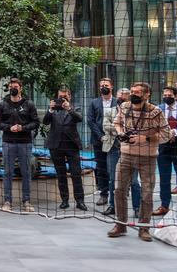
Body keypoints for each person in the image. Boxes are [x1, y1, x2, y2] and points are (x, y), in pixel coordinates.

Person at [108, 82, 177, 241]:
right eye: (132, 91)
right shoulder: (124, 106)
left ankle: (144, 228)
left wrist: (145, 138)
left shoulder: (155, 111)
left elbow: (166, 135)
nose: (134, 94)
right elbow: (117, 123)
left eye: (138, 92)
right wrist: (121, 133)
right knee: (119, 189)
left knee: (147, 193)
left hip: (148, 157)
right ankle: (120, 224)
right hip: (125, 154)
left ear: (147, 95)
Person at [0, 78, 40, 213]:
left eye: (15, 86)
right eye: (11, 87)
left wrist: (23, 128)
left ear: (20, 88)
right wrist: (9, 128)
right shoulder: (3, 104)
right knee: (7, 172)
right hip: (8, 142)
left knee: (26, 172)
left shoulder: (29, 104)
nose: (13, 88)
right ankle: (7, 201)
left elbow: (36, 122)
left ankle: (26, 201)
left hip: (25, 142)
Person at [43, 87, 86, 211]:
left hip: (72, 146)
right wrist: (50, 109)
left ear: (69, 96)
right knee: (61, 175)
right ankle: (64, 200)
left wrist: (68, 108)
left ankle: (80, 201)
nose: (62, 98)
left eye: (64, 96)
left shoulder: (75, 107)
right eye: (60, 96)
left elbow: (79, 118)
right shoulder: (53, 109)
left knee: (76, 174)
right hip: (56, 146)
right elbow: (45, 122)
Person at [102, 88, 142, 218]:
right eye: (121, 95)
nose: (123, 98)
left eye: (126, 96)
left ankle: (137, 208)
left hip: (132, 150)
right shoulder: (109, 111)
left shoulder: (135, 112)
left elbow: (137, 129)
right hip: (114, 149)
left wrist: (123, 129)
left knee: (134, 181)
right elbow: (106, 127)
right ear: (117, 96)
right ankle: (112, 206)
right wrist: (122, 131)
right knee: (113, 179)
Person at [87, 78, 114, 206]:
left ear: (111, 87)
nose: (104, 87)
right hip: (99, 141)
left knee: (113, 168)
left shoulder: (118, 102)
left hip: (115, 141)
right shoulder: (94, 102)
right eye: (102, 85)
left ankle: (115, 195)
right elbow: (90, 121)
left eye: (106, 85)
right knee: (102, 168)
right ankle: (104, 194)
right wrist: (101, 136)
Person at [154, 86, 177, 216]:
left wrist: (175, 132)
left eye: (169, 95)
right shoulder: (158, 109)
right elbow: (154, 125)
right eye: (165, 95)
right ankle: (164, 205)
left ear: (175, 96)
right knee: (164, 178)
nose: (166, 97)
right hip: (163, 147)